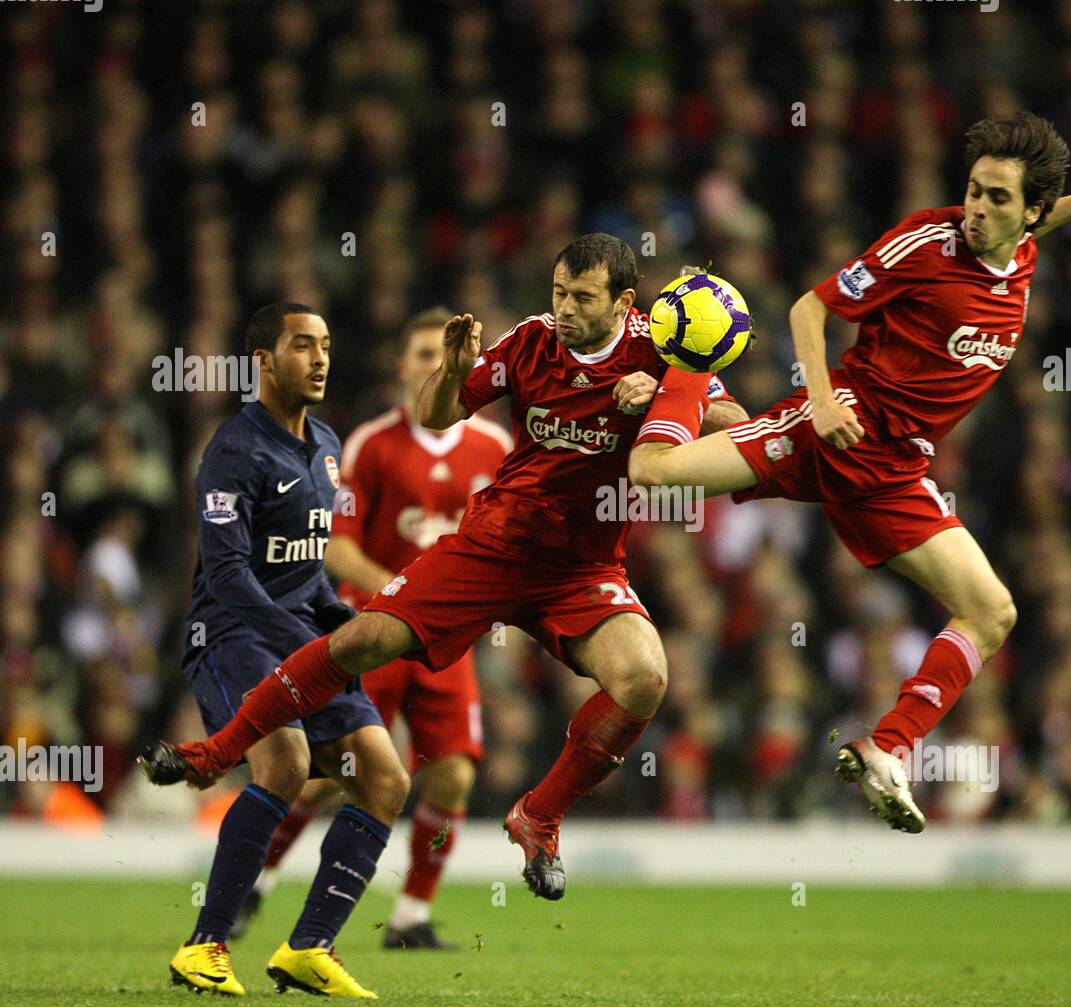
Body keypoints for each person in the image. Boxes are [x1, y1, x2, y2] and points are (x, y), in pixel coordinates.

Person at [141, 235, 748, 901]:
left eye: (582, 298)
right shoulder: (529, 342)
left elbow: (733, 419)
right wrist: (456, 370)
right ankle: (218, 750)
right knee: (361, 640)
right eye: (557, 292)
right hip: (493, 544)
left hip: (581, 566)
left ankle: (538, 816)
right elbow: (436, 413)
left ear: (624, 302)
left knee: (644, 678)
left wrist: (665, 391)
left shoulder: (662, 345)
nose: (564, 309)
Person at [628, 113, 1071, 833]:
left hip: (892, 468)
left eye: (999, 199)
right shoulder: (928, 241)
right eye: (975, 190)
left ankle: (888, 747)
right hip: (844, 432)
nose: (978, 208)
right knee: (653, 472)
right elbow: (810, 306)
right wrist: (819, 401)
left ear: (1030, 212)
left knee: (992, 611)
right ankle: (678, 369)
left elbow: (1036, 226)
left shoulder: (1024, 251)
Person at [235, 308, 509, 949]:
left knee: (454, 774)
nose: (432, 367)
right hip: (374, 628)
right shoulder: (369, 445)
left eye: (442, 357)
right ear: (401, 367)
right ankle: (258, 880)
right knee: (334, 774)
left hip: (446, 639)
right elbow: (335, 545)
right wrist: (411, 592)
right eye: (421, 356)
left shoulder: (493, 448)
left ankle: (410, 915)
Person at [167, 303, 408, 999]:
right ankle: (203, 946)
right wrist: (310, 641)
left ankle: (310, 947)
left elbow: (310, 572)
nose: (321, 358)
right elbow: (229, 574)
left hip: (305, 637)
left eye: (327, 345)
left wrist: (364, 626)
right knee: (287, 761)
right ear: (264, 362)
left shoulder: (327, 443)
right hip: (233, 635)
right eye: (303, 345)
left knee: (386, 779)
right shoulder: (233, 449)